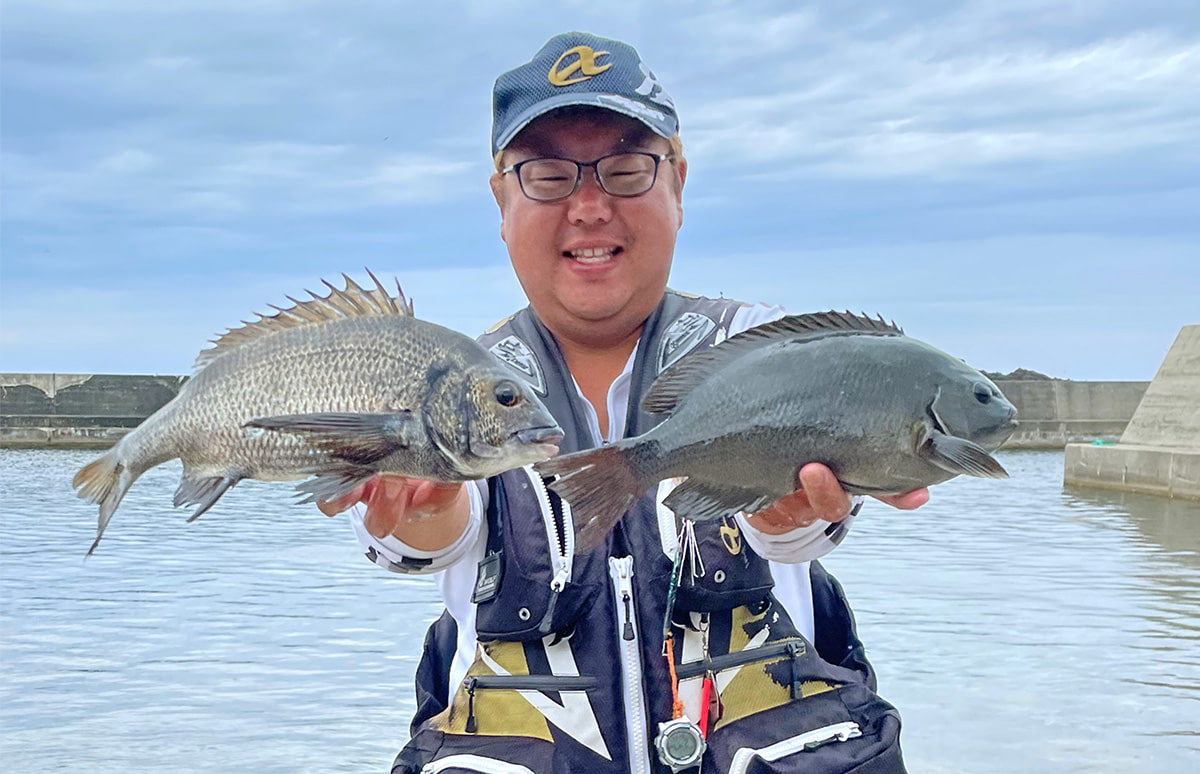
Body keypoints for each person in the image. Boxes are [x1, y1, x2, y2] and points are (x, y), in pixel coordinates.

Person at [322, 32, 927, 774]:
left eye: (625, 169)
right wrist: (418, 511)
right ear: (501, 198)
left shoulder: (768, 348)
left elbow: (801, 534)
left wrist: (791, 515)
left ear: (677, 180)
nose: (588, 207)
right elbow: (434, 538)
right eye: (546, 174)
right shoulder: (452, 381)